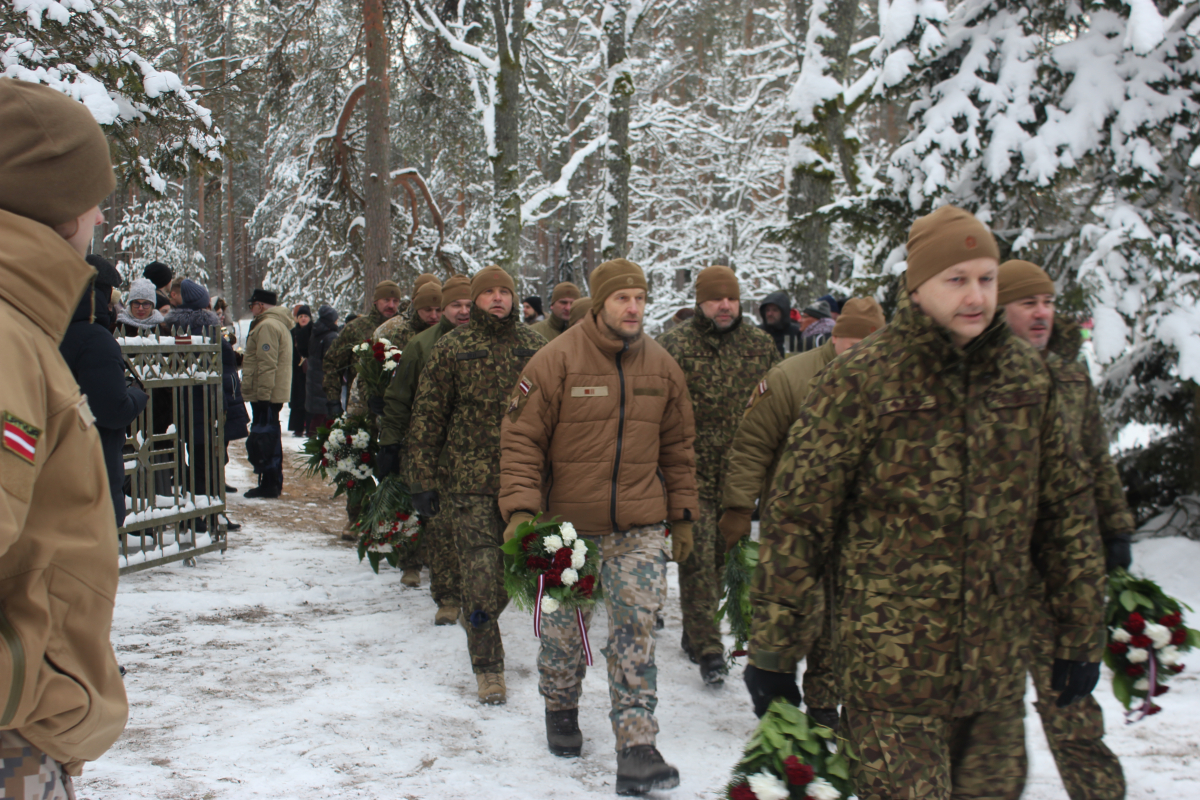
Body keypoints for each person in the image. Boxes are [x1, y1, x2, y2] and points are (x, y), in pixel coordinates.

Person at [745, 205, 1107, 800]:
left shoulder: (1026, 379)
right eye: (956, 279)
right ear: (917, 288)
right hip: (892, 678)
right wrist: (775, 649)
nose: (976, 295)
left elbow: (1065, 511)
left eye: (987, 278)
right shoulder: (863, 381)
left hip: (993, 679)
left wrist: (1079, 631)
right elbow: (798, 520)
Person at [499, 258, 697, 795]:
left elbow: (679, 449)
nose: (633, 307)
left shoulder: (662, 366)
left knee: (636, 633)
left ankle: (637, 745)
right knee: (564, 635)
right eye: (621, 298)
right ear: (600, 302)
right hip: (566, 529)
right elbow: (521, 441)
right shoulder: (553, 361)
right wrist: (520, 511)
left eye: (639, 297)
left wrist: (681, 513)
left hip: (638, 525)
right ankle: (560, 706)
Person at [0, 75, 129, 794]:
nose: (101, 217)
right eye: (91, 196)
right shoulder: (4, 338)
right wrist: (35, 692)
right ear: (50, 202)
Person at [998, 259, 1130, 800]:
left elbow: (1098, 458)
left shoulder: (1073, 376)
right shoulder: (976, 377)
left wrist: (1116, 527)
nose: (1041, 313)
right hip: (994, 579)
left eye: (1048, 302)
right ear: (1000, 308)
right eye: (1028, 302)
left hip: (1059, 576)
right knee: (990, 732)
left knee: (1073, 708)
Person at [720, 297, 885, 728]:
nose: (863, 351)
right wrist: (739, 506)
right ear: (837, 335)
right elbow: (752, 445)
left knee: (848, 619)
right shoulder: (791, 377)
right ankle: (798, 695)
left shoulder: (897, 379)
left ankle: (830, 700)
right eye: (854, 341)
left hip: (868, 531)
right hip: (798, 523)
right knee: (803, 611)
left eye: (874, 341)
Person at [406, 267, 546, 705]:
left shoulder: (538, 348)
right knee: (482, 581)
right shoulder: (452, 348)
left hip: (528, 485)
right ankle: (489, 670)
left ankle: (478, 618)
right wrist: (421, 478)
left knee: (510, 578)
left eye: (506, 291)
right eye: (489, 293)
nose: (498, 299)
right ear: (476, 299)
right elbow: (428, 418)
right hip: (468, 485)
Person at [657, 265, 779, 686]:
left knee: (722, 561)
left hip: (742, 476)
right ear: (699, 302)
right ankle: (709, 647)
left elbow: (776, 406)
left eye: (730, 298)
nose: (724, 305)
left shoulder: (760, 346)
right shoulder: (674, 346)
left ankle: (696, 632)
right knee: (696, 558)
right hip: (690, 473)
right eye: (714, 299)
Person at [377, 276, 471, 610]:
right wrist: (389, 442)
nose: (462, 311)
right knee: (432, 519)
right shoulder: (421, 345)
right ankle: (432, 582)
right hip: (429, 446)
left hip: (476, 452)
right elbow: (399, 397)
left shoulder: (484, 343)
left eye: (468, 305)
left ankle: (469, 594)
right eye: (455, 305)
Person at [60, 254, 149, 528]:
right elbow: (112, 410)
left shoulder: (53, 331)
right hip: (92, 468)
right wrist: (137, 394)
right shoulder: (96, 340)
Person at [164, 280, 225, 506]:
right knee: (205, 458)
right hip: (204, 400)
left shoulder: (168, 325)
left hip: (176, 400)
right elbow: (224, 359)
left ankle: (185, 505)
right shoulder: (208, 326)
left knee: (180, 456)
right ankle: (205, 507)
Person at [242, 288, 295, 499]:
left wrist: (263, 394)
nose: (251, 310)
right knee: (269, 437)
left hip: (266, 393)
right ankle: (270, 481)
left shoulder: (267, 326)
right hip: (271, 391)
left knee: (266, 439)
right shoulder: (276, 324)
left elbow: (266, 363)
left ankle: (270, 483)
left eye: (252, 305)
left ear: (260, 305)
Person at [322, 280, 404, 413]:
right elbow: (332, 364)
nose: (391, 305)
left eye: (395, 301)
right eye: (386, 300)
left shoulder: (403, 330)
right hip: (360, 410)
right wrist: (333, 401)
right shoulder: (356, 328)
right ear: (376, 301)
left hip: (396, 412)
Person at [370, 275, 444, 416]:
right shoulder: (392, 330)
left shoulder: (450, 330)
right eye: (428, 309)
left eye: (438, 309)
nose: (434, 315)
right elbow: (369, 372)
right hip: (397, 412)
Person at [305, 304, 341, 435]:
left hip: (314, 377)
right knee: (324, 415)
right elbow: (331, 360)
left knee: (317, 415)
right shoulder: (331, 336)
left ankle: (313, 437)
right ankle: (318, 441)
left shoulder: (316, 332)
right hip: (324, 379)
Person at [288, 304, 312, 436]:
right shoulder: (293, 333)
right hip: (296, 370)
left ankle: (310, 427)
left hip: (311, 371)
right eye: (301, 316)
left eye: (306, 316)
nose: (303, 319)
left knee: (310, 399)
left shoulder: (314, 332)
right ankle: (298, 427)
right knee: (298, 399)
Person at [758, 290, 802, 356]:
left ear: (784, 312)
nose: (770, 313)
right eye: (767, 310)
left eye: (775, 310)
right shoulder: (758, 332)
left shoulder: (796, 333)